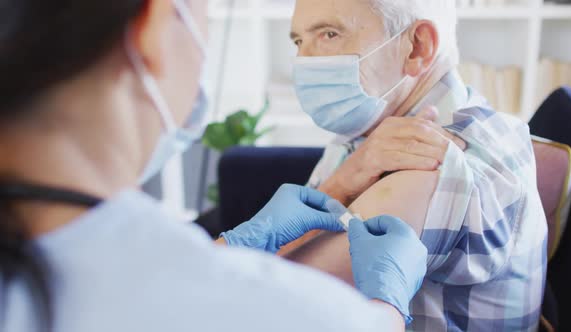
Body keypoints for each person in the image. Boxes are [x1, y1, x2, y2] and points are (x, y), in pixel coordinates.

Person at [0, 0, 447, 331]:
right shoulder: (291, 314)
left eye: (328, 35)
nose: (305, 60)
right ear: (154, 28)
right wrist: (385, 309)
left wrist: (233, 245)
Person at [282, 0, 548, 331]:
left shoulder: (427, 162)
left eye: (330, 34)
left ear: (417, 48)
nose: (302, 61)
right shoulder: (373, 122)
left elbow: (276, 301)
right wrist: (340, 182)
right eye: (298, 41)